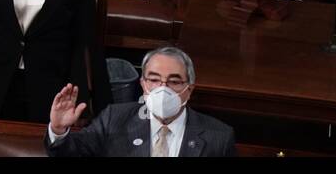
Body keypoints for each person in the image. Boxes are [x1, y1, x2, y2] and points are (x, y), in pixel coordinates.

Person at [47, 46, 236, 157]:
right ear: (143, 84)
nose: (163, 88)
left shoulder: (218, 137)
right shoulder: (115, 119)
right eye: (154, 80)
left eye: (174, 81)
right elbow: (70, 154)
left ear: (189, 89)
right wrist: (58, 130)